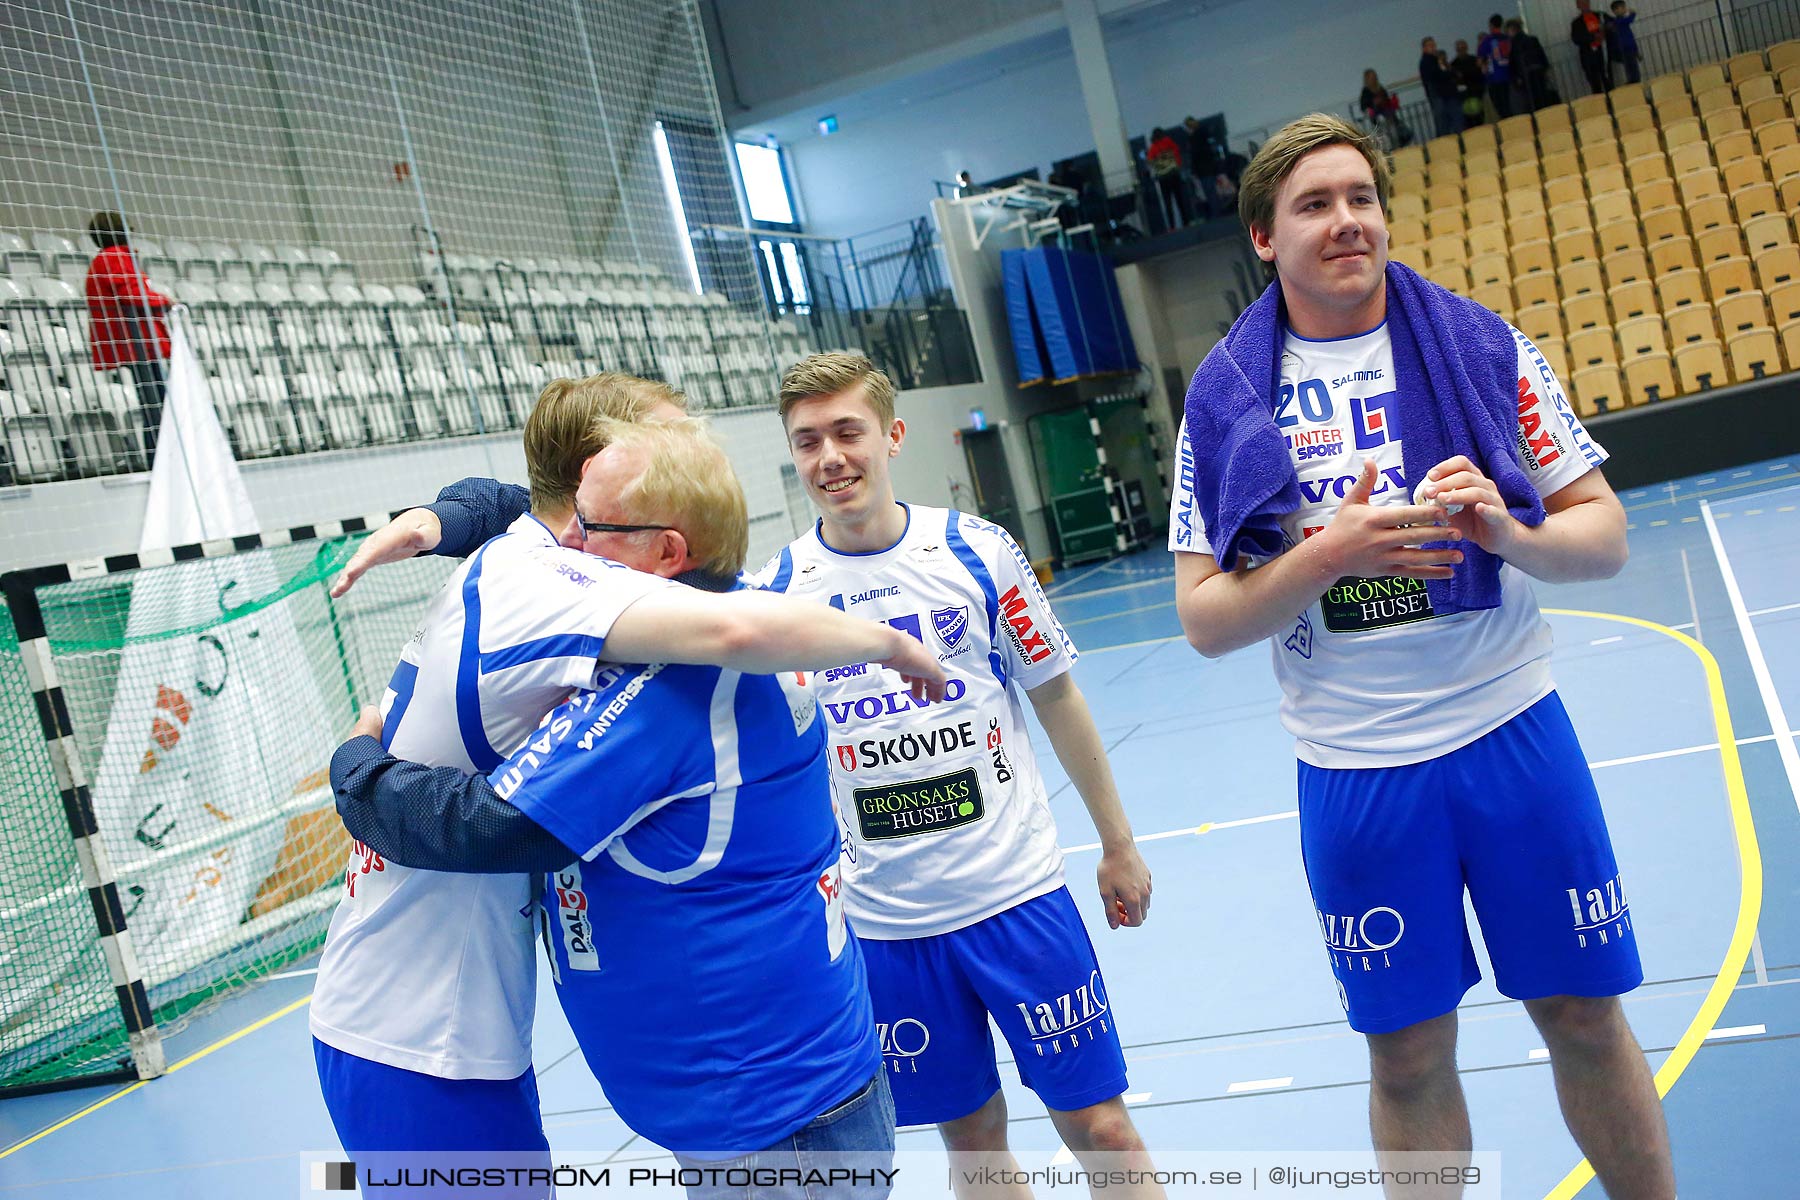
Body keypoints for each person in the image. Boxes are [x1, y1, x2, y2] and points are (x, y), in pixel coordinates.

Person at [1169, 113, 1675, 1199]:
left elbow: (1607, 537)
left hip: (1512, 734)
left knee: (1584, 1018)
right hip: (1356, 771)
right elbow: (1206, 619)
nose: (1346, 221)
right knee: (1404, 1054)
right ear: (1264, 237)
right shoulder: (1225, 400)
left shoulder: (1484, 346)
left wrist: (1512, 532)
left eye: (1361, 197)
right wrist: (1323, 559)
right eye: (1315, 204)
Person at [316, 380, 943, 1192]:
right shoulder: (668, 603)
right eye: (574, 517)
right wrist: (446, 515)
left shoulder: (673, 683)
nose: (572, 542)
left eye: (596, 526)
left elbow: (499, 824)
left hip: (770, 1115)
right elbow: (526, 513)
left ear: (667, 551)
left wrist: (355, 772)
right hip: (748, 1096)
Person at [758, 353, 1161, 1199]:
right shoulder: (782, 592)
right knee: (973, 1146)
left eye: (846, 432)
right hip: (891, 927)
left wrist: (1117, 844)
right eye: (807, 442)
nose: (829, 457)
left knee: (1104, 1130)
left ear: (892, 435)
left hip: (1017, 899)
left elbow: (1057, 696)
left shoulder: (975, 552)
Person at [84, 211, 172, 461]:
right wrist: (165, 302)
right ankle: (160, 459)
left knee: (155, 403)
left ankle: (161, 457)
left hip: (135, 341)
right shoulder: (113, 258)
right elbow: (132, 293)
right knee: (156, 404)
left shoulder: (110, 258)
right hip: (135, 341)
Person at [1146, 126, 1190, 230]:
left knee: (1168, 203)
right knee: (1180, 200)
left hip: (1163, 178)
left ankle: (1172, 226)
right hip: (1174, 175)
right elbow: (1177, 152)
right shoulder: (1168, 141)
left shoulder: (1153, 147)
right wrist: (1177, 165)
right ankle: (1186, 222)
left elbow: (1150, 161)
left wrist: (1158, 165)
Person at [1506, 19, 1555, 112]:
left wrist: (1515, 77)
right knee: (1543, 95)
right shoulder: (1533, 40)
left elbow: (1513, 63)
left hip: (1526, 76)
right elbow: (1542, 56)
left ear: (1512, 30)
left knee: (1532, 100)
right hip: (1539, 72)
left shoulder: (1515, 44)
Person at [1419, 39, 1463, 137]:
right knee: (1448, 125)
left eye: (1434, 45)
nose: (1433, 47)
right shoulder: (1428, 62)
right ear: (1424, 48)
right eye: (1430, 45)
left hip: (1444, 96)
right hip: (1441, 97)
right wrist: (1449, 73)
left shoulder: (1432, 60)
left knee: (1447, 125)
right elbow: (1438, 75)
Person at [1477, 15, 1514, 119]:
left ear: (1491, 25)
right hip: (1508, 75)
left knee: (1500, 106)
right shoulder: (1507, 39)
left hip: (1494, 78)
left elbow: (1480, 60)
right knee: (1508, 103)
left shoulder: (1487, 40)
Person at [1572, 0, 1614, 94]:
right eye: (1581, 3)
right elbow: (1576, 38)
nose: (1584, 5)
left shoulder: (1600, 15)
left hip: (1603, 54)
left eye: (1586, 2)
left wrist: (1607, 28)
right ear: (1578, 6)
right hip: (1588, 58)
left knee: (1609, 82)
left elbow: (1613, 24)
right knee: (1595, 85)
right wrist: (1593, 37)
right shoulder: (1576, 23)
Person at [1359, 69, 1408, 148]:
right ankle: (1391, 147)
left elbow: (1386, 99)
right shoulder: (1366, 92)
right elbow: (1364, 106)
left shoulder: (1380, 88)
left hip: (1387, 113)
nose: (1374, 79)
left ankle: (1397, 145)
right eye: (1372, 77)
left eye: (1374, 77)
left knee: (1393, 131)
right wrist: (1373, 104)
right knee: (1385, 132)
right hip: (1377, 117)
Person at [1449, 40, 1487, 127]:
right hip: (1465, 96)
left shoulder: (1455, 64)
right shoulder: (1455, 64)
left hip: (1474, 93)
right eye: (1459, 49)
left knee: (1478, 118)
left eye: (1462, 48)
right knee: (1469, 120)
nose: (1461, 50)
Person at [1609, 2, 1641, 84]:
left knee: (1632, 65)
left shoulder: (1619, 21)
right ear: (1615, 11)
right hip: (1625, 47)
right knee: (1630, 66)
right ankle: (1633, 81)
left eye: (1624, 7)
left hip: (1630, 46)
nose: (1625, 9)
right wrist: (1633, 13)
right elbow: (1629, 20)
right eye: (1622, 8)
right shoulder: (1618, 21)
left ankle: (1635, 80)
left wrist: (1636, 50)